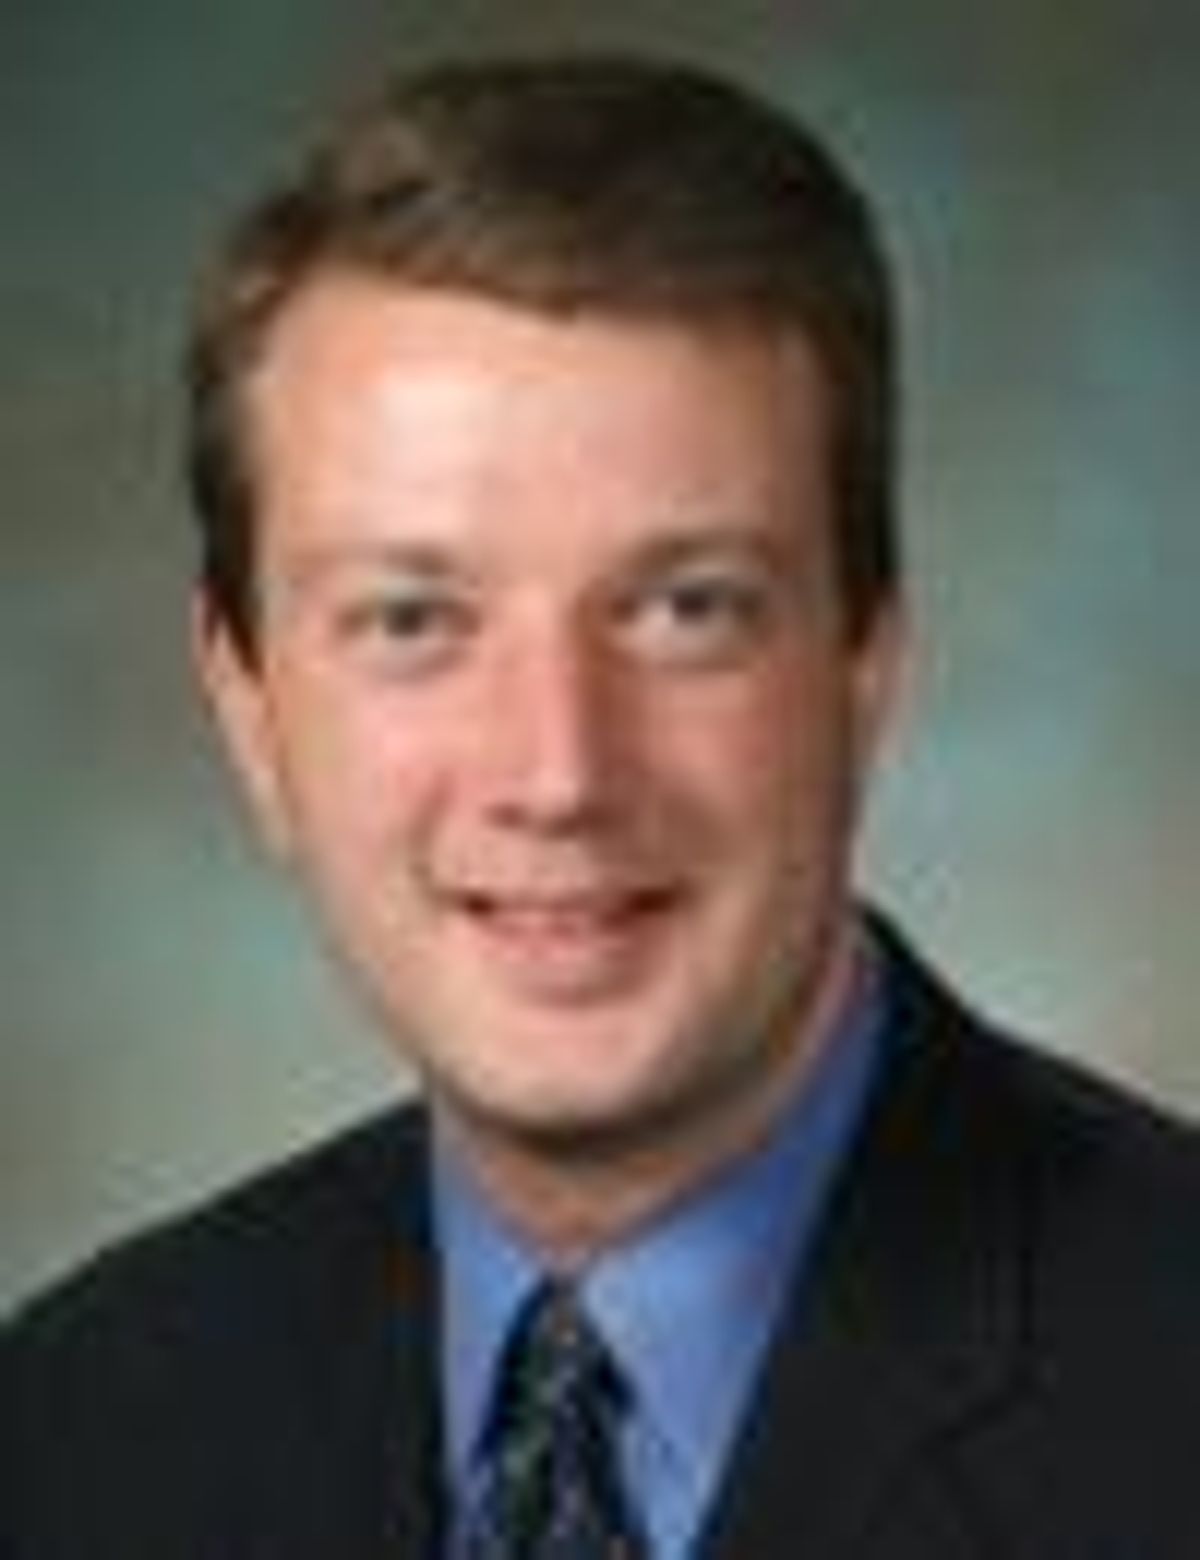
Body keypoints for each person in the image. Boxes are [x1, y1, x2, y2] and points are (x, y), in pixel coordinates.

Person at [4, 53, 1198, 1559]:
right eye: (412, 619)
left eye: (687, 608)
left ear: (868, 662)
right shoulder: (75, 1429)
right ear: (248, 706)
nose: (558, 773)